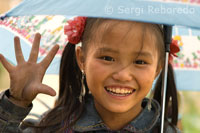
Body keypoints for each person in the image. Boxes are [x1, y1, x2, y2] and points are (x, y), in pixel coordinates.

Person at [0, 17, 180, 132]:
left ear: (158, 68)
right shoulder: (53, 127)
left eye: (140, 62)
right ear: (82, 59)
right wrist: (16, 103)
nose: (123, 75)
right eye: (107, 58)